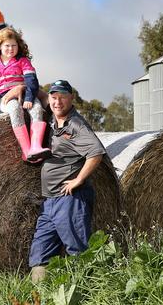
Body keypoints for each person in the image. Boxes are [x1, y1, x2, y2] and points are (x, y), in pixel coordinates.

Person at [28, 80, 106, 283]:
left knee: (78, 249)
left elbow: (96, 152)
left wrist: (78, 180)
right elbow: (38, 91)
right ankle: (41, 296)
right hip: (49, 202)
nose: (57, 101)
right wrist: (22, 86)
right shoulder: (54, 118)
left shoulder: (76, 125)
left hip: (70, 199)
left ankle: (86, 292)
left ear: (71, 98)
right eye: (54, 97)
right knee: (40, 251)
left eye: (62, 97)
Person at [0, 27, 50, 162]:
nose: (11, 49)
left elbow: (32, 81)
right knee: (14, 108)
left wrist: (30, 98)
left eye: (14, 46)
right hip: (4, 98)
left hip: (26, 94)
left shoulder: (23, 61)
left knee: (36, 109)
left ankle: (36, 147)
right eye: (7, 45)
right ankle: (26, 150)